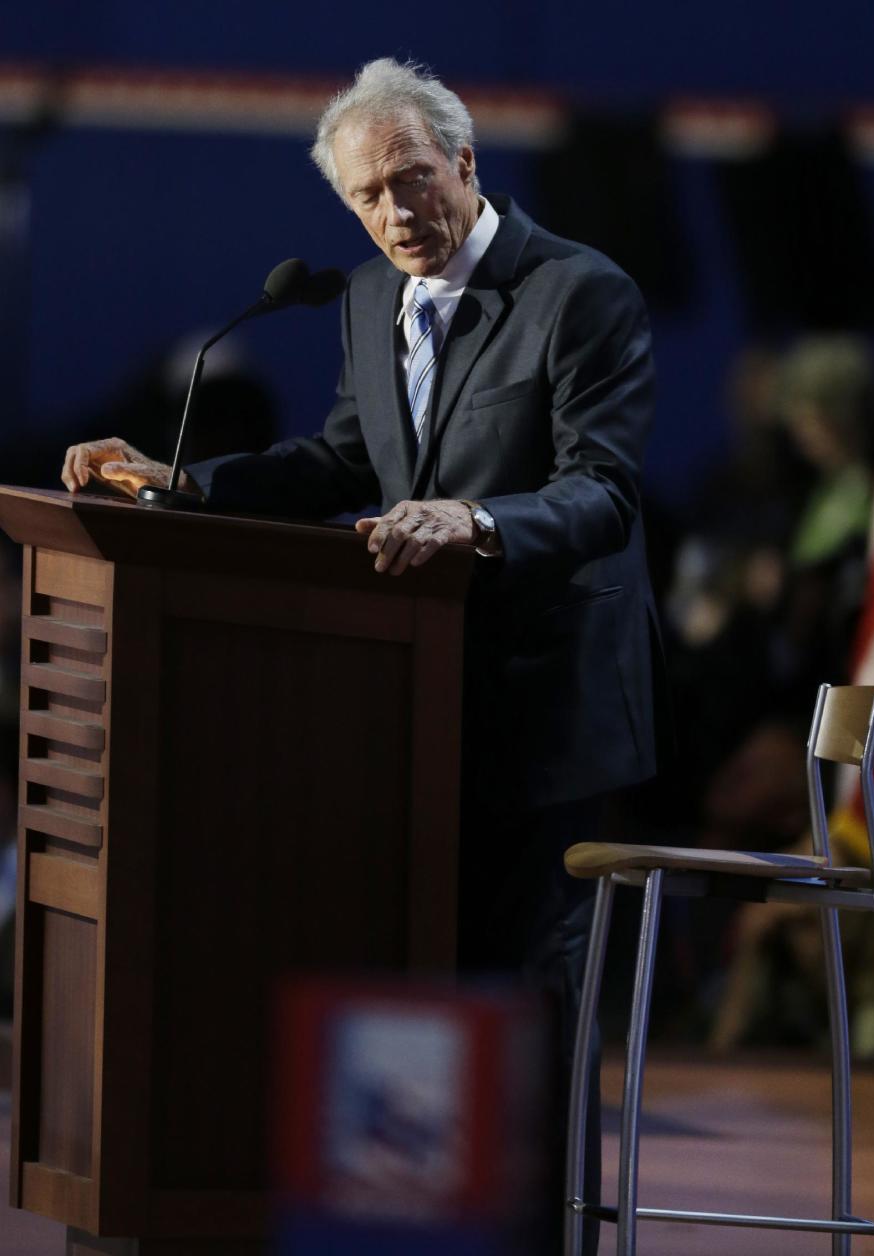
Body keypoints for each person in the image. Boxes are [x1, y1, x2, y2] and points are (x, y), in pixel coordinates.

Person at [62, 58, 663, 1253]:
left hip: (552, 716)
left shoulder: (577, 293)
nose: (395, 213)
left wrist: (473, 520)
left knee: (531, 1005)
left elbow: (603, 491)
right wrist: (185, 484)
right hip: (408, 706)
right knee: (418, 995)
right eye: (368, 198)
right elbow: (346, 460)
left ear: (467, 163)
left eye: (412, 180)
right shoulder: (361, 302)